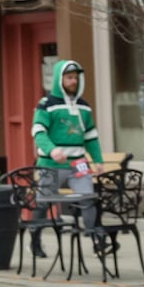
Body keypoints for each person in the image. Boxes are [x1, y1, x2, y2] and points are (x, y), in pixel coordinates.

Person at [32, 59, 105, 248]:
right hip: (51, 164)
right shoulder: (46, 104)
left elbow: (91, 137)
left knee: (87, 197)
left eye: (76, 78)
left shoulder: (84, 107)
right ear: (59, 79)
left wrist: (97, 160)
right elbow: (38, 131)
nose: (73, 81)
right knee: (42, 202)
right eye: (69, 77)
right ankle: (35, 238)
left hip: (78, 164)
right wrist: (52, 149)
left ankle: (96, 239)